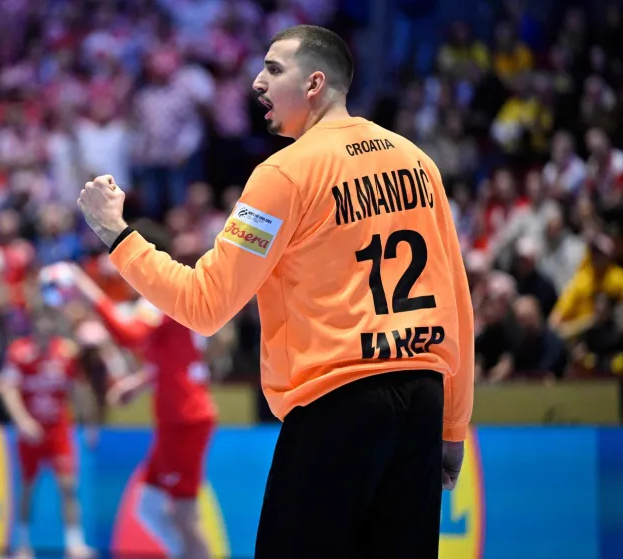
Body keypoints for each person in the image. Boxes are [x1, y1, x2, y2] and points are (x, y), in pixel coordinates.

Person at [77, 24, 474, 558]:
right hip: (422, 400)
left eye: (273, 69)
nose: (257, 82)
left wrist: (116, 235)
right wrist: (453, 423)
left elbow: (205, 304)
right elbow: (456, 301)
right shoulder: (418, 163)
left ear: (314, 84)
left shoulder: (283, 175)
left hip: (338, 405)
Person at [54, 224, 218, 559]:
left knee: (184, 515)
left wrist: (87, 289)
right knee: (150, 506)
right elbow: (177, 358)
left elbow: (129, 335)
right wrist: (140, 382)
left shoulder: (162, 293)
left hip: (183, 419)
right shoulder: (170, 292)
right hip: (179, 416)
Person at [0, 298, 100, 559]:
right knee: (28, 486)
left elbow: (79, 391)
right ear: (33, 325)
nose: (45, 327)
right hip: (30, 431)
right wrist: (23, 422)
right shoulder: (18, 352)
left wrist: (90, 424)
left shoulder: (65, 353)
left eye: (50, 322)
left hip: (58, 430)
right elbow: (7, 390)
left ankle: (75, 543)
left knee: (67, 485)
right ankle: (22, 543)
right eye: (40, 322)